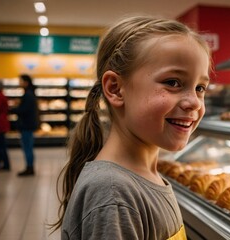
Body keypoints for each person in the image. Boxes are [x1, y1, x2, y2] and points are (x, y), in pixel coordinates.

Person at [51, 16, 211, 239]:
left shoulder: (145, 177)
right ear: (116, 89)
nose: (194, 102)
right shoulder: (113, 195)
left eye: (200, 87)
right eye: (173, 82)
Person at [13, 74, 39, 176]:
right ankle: (29, 167)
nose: (19, 83)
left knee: (27, 147)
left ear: (26, 82)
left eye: (20, 81)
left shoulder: (28, 94)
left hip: (26, 125)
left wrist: (14, 109)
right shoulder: (30, 93)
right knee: (28, 147)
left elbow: (24, 110)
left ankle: (29, 168)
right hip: (28, 125)